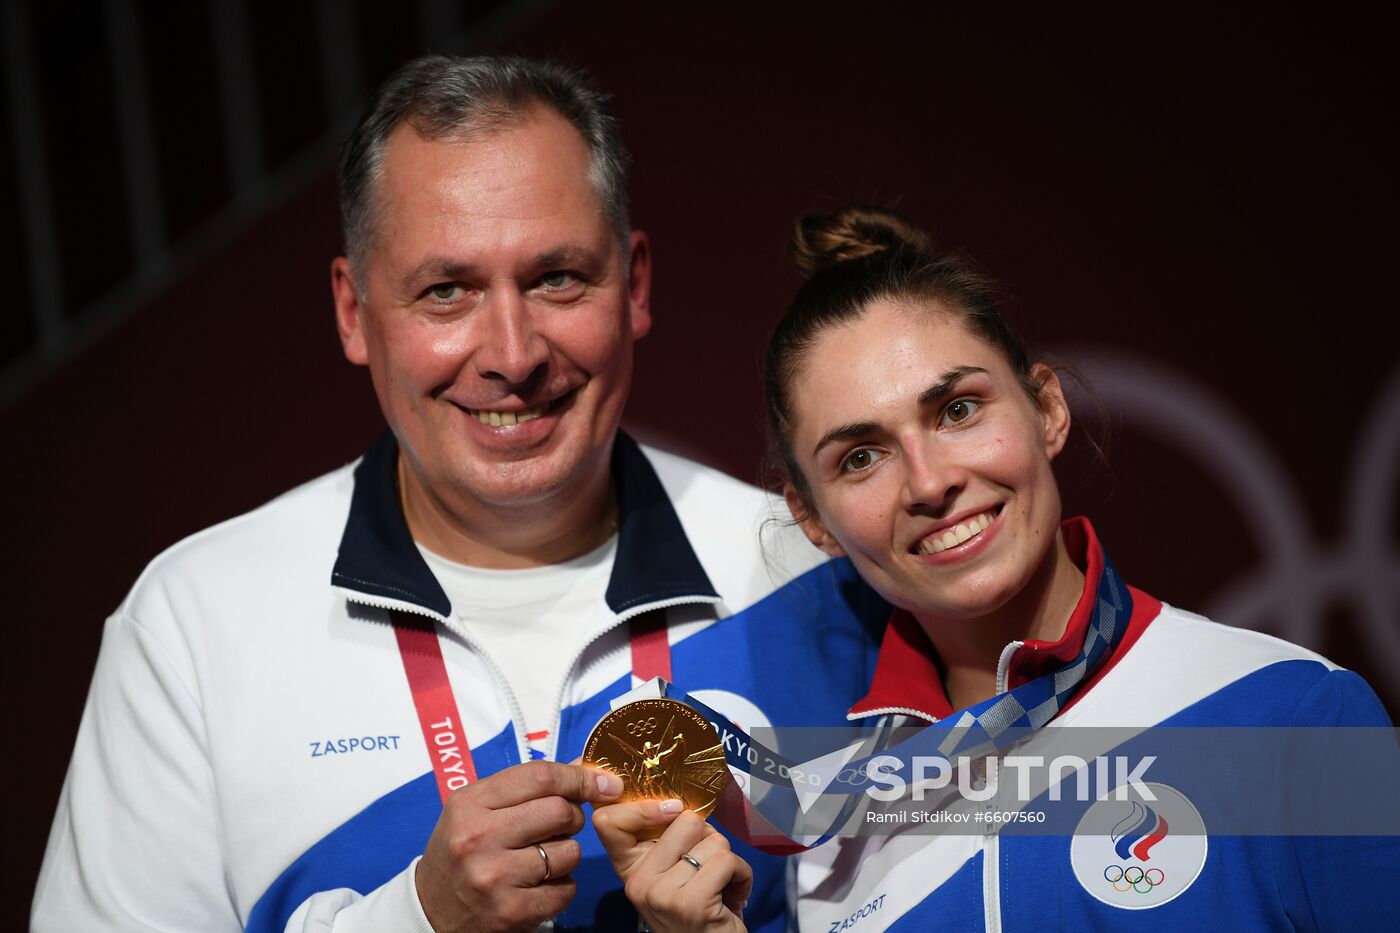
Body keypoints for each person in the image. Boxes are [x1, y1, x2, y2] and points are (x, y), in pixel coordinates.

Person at [30, 58, 888, 933]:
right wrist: (416, 918)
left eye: (556, 277)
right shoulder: (195, 623)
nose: (512, 354)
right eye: (447, 291)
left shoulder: (807, 574)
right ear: (354, 312)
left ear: (633, 284)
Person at [593, 205, 1398, 931]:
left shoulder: (1298, 717)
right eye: (862, 455)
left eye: (958, 410)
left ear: (1047, 408)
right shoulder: (833, 836)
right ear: (814, 520)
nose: (932, 480)